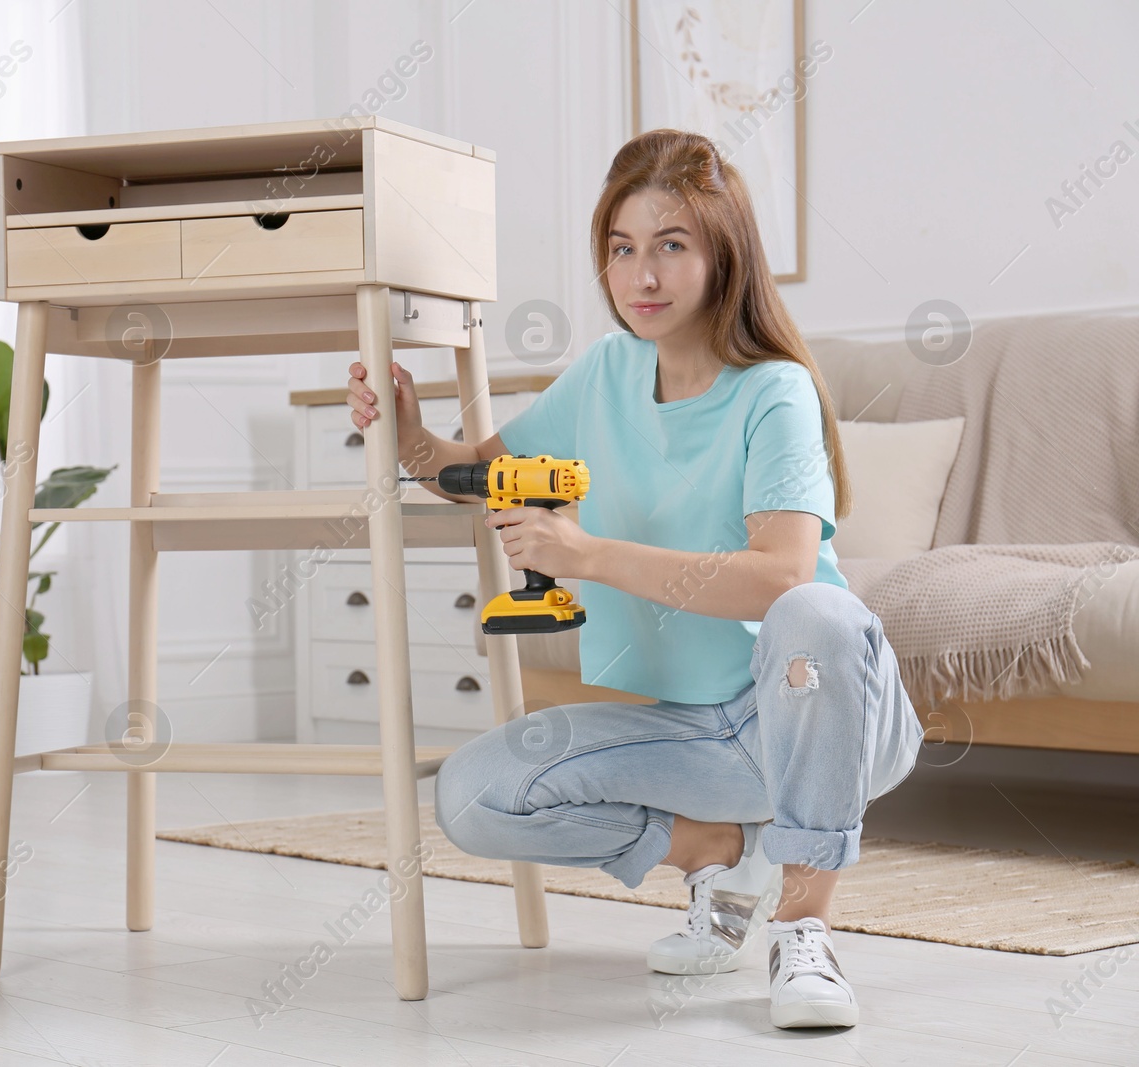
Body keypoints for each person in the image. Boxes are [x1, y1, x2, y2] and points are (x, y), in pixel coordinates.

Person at [345, 128, 923, 1030]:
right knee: (473, 793)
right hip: (698, 739)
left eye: (671, 246)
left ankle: (803, 931)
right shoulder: (607, 374)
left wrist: (587, 556)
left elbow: (780, 576)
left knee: (818, 609)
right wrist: (411, 437)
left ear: (721, 256)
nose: (642, 276)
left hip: (815, 709)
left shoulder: (774, 390)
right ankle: (726, 853)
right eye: (623, 250)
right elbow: (488, 471)